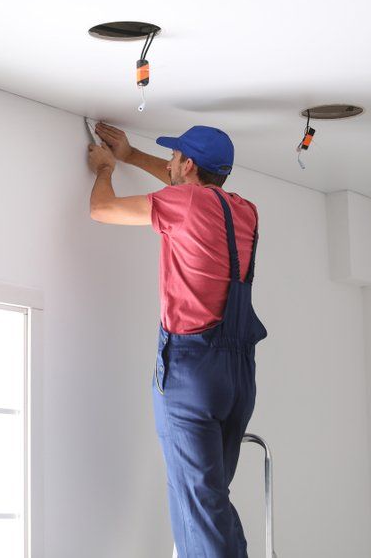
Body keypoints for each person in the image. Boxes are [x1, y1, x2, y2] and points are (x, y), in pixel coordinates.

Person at [86, 122, 267, 558]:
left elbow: (102, 209)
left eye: (174, 157)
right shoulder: (244, 210)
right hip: (239, 375)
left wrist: (105, 169)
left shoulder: (181, 203)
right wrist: (131, 155)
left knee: (199, 503)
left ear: (187, 165)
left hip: (193, 372)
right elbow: (182, 187)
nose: (167, 162)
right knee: (210, 499)